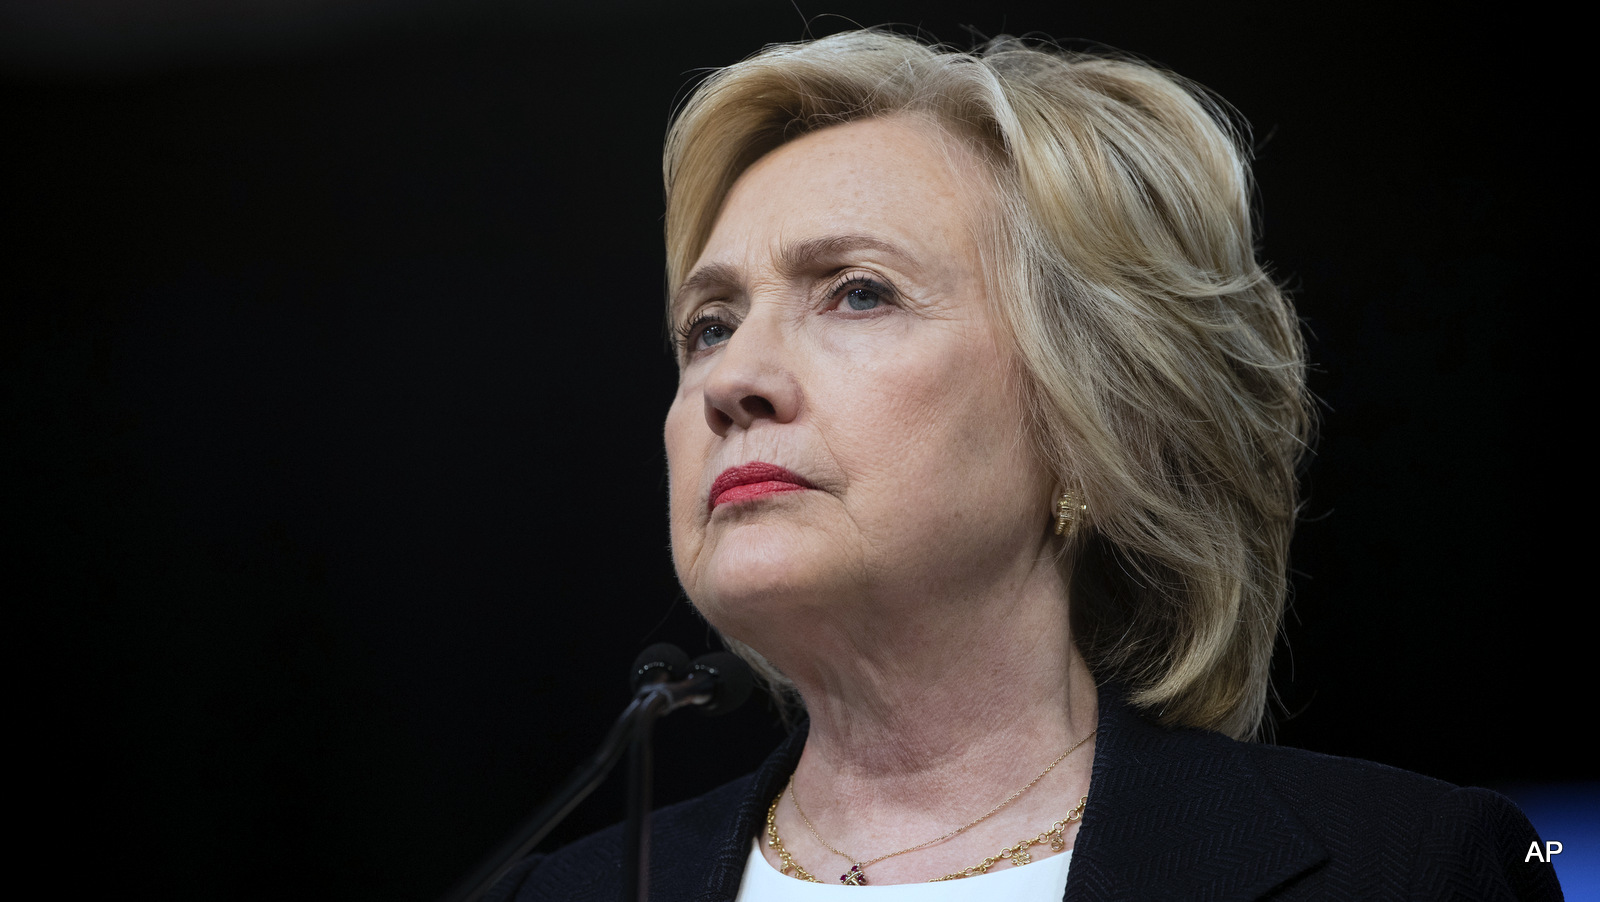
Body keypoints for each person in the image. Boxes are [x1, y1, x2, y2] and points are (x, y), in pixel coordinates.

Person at [489, 29, 1560, 901]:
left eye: (857, 290)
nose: (733, 382)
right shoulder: (554, 892)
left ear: (1087, 412)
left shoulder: (1412, 867)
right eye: (708, 324)